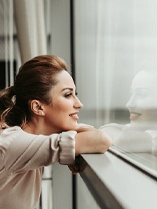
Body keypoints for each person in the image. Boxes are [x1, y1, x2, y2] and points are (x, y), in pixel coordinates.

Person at [0, 55, 112, 209]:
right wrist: (71, 141)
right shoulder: (13, 143)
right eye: (68, 95)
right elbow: (100, 140)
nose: (79, 104)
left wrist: (70, 144)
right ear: (38, 107)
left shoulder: (26, 141)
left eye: (75, 95)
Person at [100, 69, 157, 155]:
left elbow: (123, 139)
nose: (129, 104)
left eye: (142, 94)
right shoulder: (144, 129)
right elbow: (105, 130)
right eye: (131, 94)